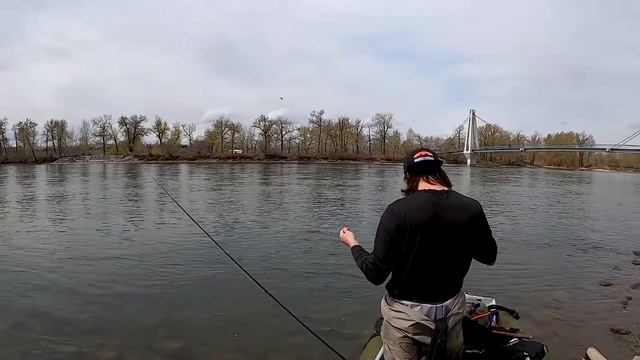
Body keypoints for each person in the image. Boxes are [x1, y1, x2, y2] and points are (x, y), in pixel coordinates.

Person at [339, 148, 497, 360]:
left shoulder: (397, 212)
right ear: (440, 172)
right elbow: (489, 256)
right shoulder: (471, 208)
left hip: (404, 320)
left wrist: (353, 243)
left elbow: (375, 273)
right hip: (450, 315)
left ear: (408, 176)